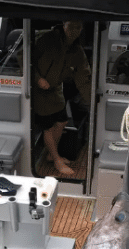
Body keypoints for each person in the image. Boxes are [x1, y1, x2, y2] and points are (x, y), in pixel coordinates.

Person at [32, 21, 92, 177]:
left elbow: (83, 77)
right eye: (71, 26)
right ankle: (57, 160)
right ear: (64, 26)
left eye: (78, 27)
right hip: (39, 89)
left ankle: (51, 154)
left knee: (62, 122)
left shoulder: (76, 51)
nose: (74, 30)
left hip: (56, 89)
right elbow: (24, 57)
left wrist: (92, 103)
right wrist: (37, 79)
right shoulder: (46, 39)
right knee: (47, 127)